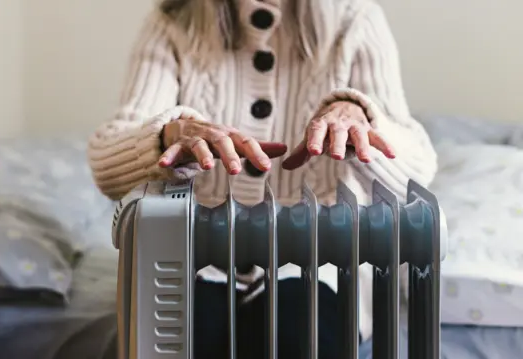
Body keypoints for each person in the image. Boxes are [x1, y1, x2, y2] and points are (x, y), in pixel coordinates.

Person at [88, 0, 437, 357]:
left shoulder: (355, 18)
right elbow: (106, 166)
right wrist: (164, 137)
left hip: (318, 267)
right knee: (182, 335)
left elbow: (417, 171)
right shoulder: (174, 21)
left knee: (301, 332)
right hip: (193, 262)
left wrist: (361, 117)